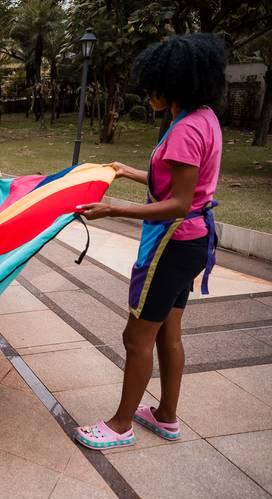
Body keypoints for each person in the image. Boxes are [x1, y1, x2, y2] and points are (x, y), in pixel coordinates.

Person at [73, 33, 226, 450]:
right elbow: (178, 184)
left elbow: (178, 203)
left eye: (152, 87)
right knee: (168, 333)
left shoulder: (184, 130)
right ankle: (166, 416)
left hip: (171, 246)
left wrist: (113, 209)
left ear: (174, 84)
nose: (147, 94)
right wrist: (129, 171)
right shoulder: (204, 118)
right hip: (193, 243)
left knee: (136, 337)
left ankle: (120, 424)